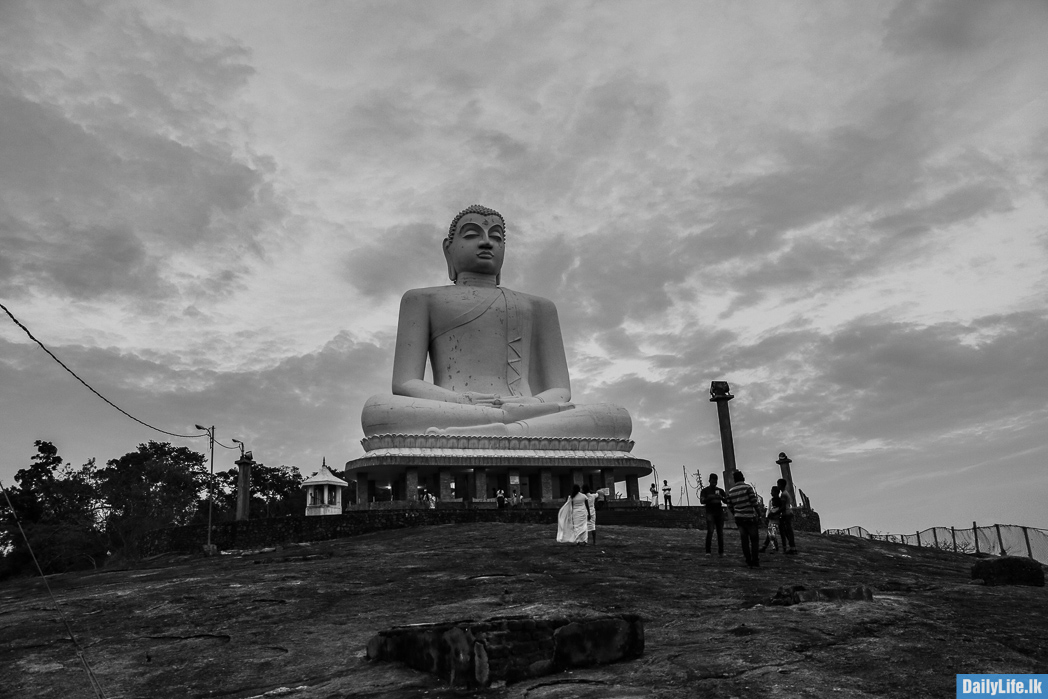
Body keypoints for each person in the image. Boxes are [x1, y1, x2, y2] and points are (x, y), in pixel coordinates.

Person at [361, 205, 632, 439]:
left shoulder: (539, 306)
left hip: (528, 410)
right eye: (471, 235)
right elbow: (405, 383)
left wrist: (530, 405)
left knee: (615, 417)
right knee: (377, 410)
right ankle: (508, 429)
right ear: (448, 249)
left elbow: (561, 390)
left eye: (496, 237)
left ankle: (503, 431)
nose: (486, 242)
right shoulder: (422, 299)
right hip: (456, 409)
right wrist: (464, 401)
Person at [727, 471, 761, 568]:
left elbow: (729, 505)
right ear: (743, 478)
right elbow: (754, 502)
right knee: (754, 539)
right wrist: (760, 514)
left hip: (739, 518)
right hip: (749, 517)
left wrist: (736, 513)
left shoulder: (731, 491)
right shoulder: (747, 488)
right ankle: (755, 560)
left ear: (734, 480)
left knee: (744, 539)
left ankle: (748, 560)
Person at [699, 473, 727, 557]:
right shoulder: (705, 491)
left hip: (719, 512)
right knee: (710, 531)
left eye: (715, 482)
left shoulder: (720, 491)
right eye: (713, 481)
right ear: (709, 481)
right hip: (710, 512)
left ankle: (721, 551)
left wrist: (721, 497)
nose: (714, 483)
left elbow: (726, 501)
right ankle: (708, 551)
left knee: (720, 533)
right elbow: (702, 501)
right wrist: (711, 497)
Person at [777, 478, 798, 554]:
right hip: (788, 513)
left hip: (787, 513)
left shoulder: (784, 494)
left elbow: (783, 506)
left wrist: (776, 512)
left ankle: (792, 548)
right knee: (787, 531)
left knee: (788, 531)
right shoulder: (785, 493)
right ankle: (792, 547)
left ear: (780, 485)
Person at [760, 486, 781, 553]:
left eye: (772, 491)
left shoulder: (779, 501)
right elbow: (769, 510)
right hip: (771, 519)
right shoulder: (771, 501)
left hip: (775, 519)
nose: (771, 492)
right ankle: (768, 547)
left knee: (771, 534)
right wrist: (767, 517)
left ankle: (772, 547)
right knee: (770, 534)